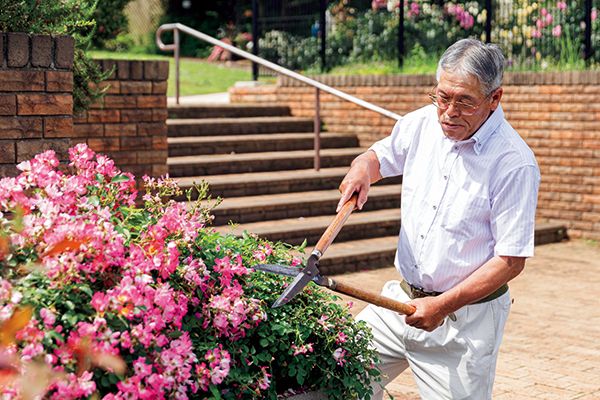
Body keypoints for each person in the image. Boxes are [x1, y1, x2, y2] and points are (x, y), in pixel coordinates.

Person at [336, 38, 540, 399]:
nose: (448, 112)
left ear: (495, 98)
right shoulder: (419, 125)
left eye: (464, 102)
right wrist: (361, 168)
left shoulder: (513, 163)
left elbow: (511, 260)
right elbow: (378, 157)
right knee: (336, 381)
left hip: (464, 322)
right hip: (396, 303)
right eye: (442, 97)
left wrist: (442, 306)